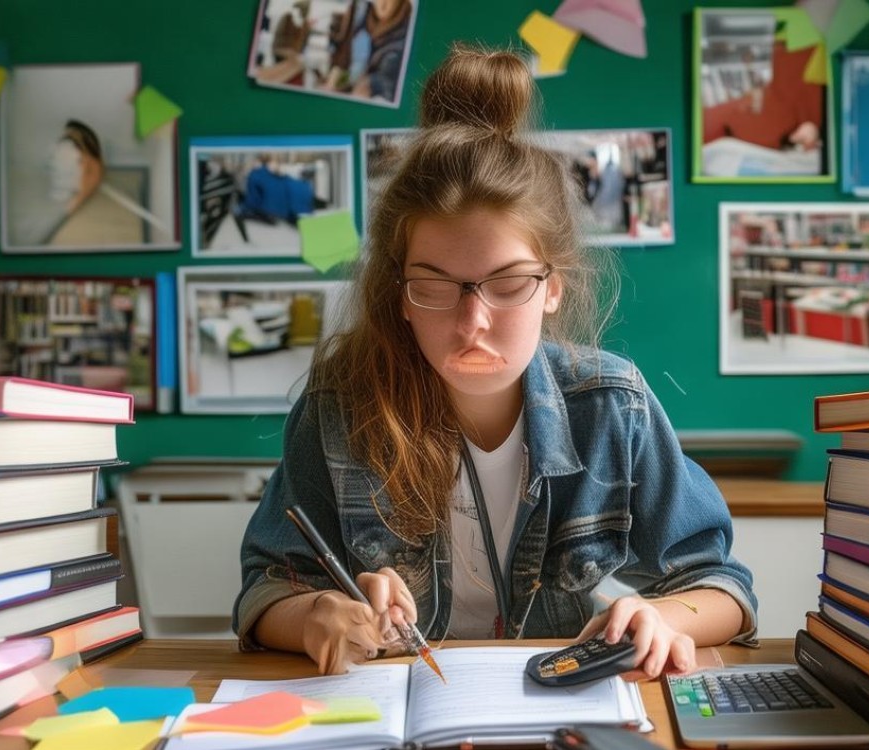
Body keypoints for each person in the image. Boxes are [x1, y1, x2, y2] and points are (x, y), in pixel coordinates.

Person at [234, 44, 758, 677]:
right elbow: (265, 589)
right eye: (432, 286)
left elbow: (721, 583)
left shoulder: (612, 405)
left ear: (554, 285)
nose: (473, 322)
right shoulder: (340, 407)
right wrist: (318, 612)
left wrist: (668, 616)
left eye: (508, 284)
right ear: (398, 294)